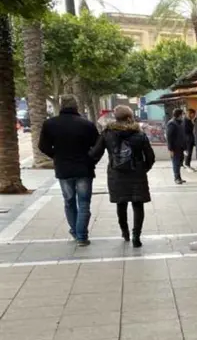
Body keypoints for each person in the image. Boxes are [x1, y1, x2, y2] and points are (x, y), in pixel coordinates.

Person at [90, 105, 156, 248]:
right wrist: (143, 168)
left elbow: (95, 154)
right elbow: (150, 157)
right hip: (137, 174)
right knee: (138, 205)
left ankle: (125, 232)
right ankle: (136, 236)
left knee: (121, 204)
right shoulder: (140, 134)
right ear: (129, 117)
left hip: (116, 174)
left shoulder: (107, 133)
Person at [38, 95, 100, 247]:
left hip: (63, 168)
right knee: (84, 203)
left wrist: (56, 156)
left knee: (69, 201)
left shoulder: (50, 124)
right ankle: (81, 236)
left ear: (61, 106)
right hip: (84, 168)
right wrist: (91, 160)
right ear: (76, 106)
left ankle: (75, 231)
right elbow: (98, 146)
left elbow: (43, 146)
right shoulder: (86, 125)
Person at [165, 108, 187, 184]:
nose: (184, 116)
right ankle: (176, 178)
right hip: (175, 148)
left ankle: (179, 177)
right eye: (183, 114)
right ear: (179, 115)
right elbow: (169, 137)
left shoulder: (180, 122)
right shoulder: (172, 123)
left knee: (180, 162)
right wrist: (170, 149)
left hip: (180, 147)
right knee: (176, 162)